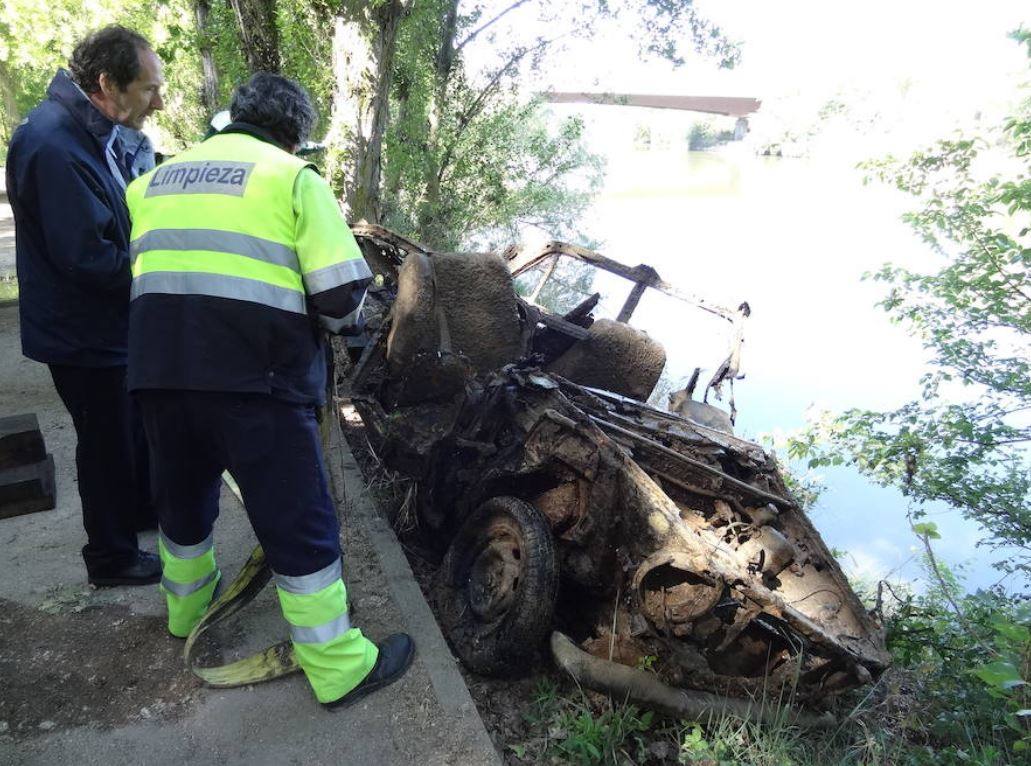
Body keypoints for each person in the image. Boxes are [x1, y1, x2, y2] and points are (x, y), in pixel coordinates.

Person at [124, 72, 414, 709]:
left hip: (157, 375)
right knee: (298, 522)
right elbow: (341, 298)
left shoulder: (152, 180)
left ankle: (186, 613)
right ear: (294, 137)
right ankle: (339, 667)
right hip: (255, 383)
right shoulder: (292, 180)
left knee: (182, 503)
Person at [5, 26, 165, 586]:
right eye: (148, 89)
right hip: (83, 335)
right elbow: (89, 259)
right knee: (106, 446)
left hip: (103, 328)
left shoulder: (81, 129)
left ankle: (141, 512)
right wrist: (159, 274)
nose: (158, 101)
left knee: (132, 430)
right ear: (106, 85)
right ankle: (111, 557)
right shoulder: (53, 145)